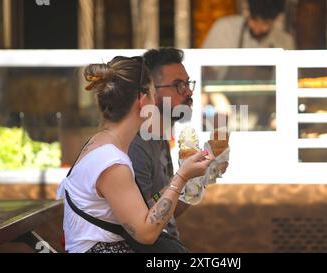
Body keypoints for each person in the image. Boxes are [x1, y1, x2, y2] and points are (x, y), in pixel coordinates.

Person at [56, 55, 212, 253]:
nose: (155, 102)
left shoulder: (101, 145)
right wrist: (181, 177)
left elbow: (142, 210)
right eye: (153, 94)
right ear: (142, 99)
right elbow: (146, 233)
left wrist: (188, 177)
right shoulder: (111, 162)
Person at [128, 48, 228, 240]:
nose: (189, 91)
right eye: (178, 85)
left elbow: (168, 212)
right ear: (149, 91)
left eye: (188, 83)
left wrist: (200, 179)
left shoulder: (159, 139)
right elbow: (141, 225)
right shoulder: (136, 146)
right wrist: (184, 178)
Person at [202, 0, 295, 49]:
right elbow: (205, 70)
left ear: (278, 18)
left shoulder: (285, 42)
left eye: (265, 23)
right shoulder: (225, 29)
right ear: (247, 11)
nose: (257, 29)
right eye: (254, 20)